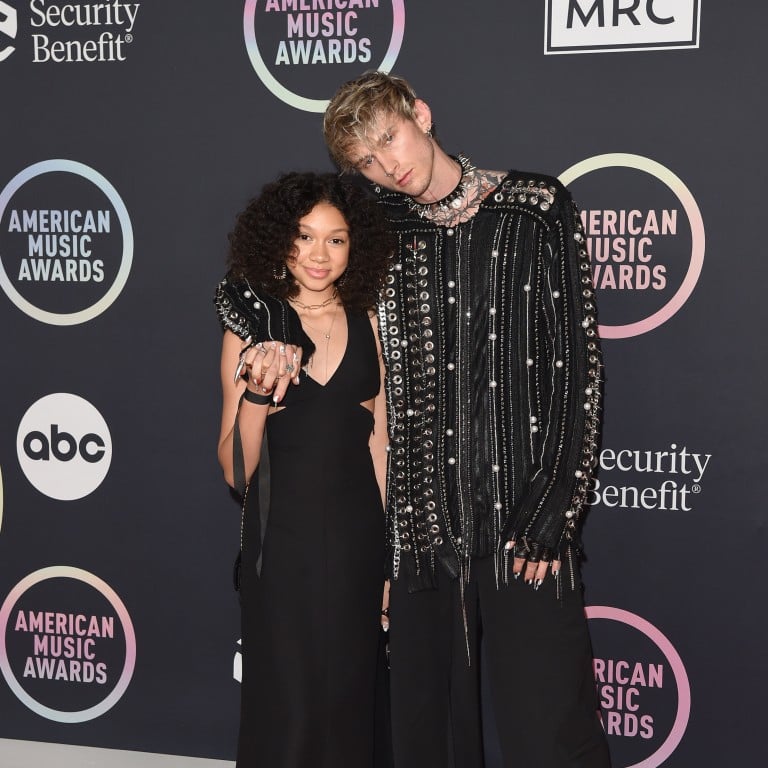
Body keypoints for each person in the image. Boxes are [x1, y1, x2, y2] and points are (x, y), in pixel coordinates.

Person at [317, 72, 612, 768]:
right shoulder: (372, 229)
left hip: (524, 522)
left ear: (421, 115)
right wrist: (260, 336)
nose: (389, 166)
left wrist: (554, 509)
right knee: (427, 739)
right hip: (421, 535)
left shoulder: (535, 207)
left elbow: (577, 369)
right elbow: (270, 271)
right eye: (366, 161)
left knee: (552, 729)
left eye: (390, 139)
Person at [214, 172, 393, 768]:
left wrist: (389, 560)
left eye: (336, 239)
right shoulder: (252, 325)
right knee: (288, 716)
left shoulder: (370, 319)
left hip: (358, 544)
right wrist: (257, 392)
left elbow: (380, 448)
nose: (319, 254)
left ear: (355, 245)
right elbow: (236, 470)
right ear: (279, 239)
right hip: (281, 547)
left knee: (351, 708)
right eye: (304, 235)